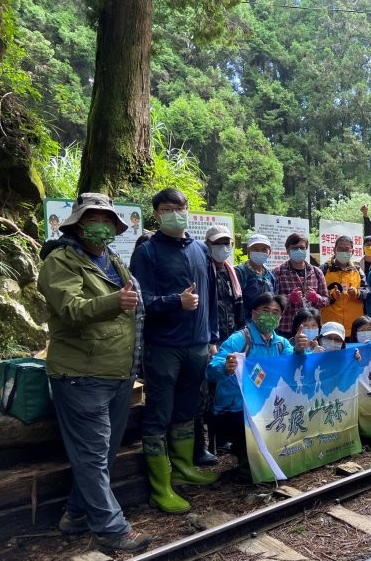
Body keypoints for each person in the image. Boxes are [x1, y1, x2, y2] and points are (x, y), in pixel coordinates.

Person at [38, 193, 152, 552]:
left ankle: (76, 514)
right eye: (93, 218)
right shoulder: (61, 261)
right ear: (78, 223)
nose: (101, 225)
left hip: (118, 372)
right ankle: (111, 528)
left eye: (107, 219)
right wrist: (113, 302)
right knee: (92, 453)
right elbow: (69, 309)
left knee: (100, 454)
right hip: (81, 373)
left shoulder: (113, 260)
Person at [130, 187, 219, 515]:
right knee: (159, 413)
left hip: (196, 346)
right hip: (163, 347)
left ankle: (183, 467)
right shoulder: (147, 252)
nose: (176, 213)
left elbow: (209, 297)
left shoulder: (199, 250)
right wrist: (175, 302)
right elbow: (142, 301)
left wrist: (213, 336)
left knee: (187, 408)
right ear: (157, 213)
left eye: (181, 208)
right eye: (168, 208)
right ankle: (160, 486)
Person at [207, 293, 307, 480]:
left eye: (275, 312)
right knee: (253, 467)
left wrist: (300, 351)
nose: (270, 316)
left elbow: (293, 365)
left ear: (280, 318)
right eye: (265, 311)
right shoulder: (240, 339)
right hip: (235, 409)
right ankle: (246, 462)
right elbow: (211, 369)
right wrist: (226, 367)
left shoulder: (280, 344)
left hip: (267, 407)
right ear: (254, 315)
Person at [196, 224, 245, 465]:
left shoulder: (229, 272)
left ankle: (223, 438)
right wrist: (209, 340)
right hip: (207, 340)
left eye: (227, 243)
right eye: (218, 243)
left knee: (226, 388)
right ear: (207, 244)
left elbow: (236, 307)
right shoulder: (202, 270)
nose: (223, 248)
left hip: (229, 338)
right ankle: (204, 445)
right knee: (205, 392)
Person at [273, 232, 329, 337]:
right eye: (294, 248)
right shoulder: (278, 272)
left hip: (311, 329)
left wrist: (317, 298)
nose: (299, 251)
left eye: (302, 248)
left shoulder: (317, 272)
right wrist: (288, 299)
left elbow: (326, 299)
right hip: (286, 329)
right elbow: (272, 301)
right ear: (287, 251)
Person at [321, 235, 370, 336]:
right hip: (331, 327)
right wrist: (331, 295)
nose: (343, 252)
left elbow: (367, 291)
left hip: (354, 326)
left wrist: (357, 293)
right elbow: (318, 294)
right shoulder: (323, 269)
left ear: (352, 251)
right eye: (340, 249)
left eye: (347, 249)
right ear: (334, 250)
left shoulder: (358, 270)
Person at [235, 234, 276, 319]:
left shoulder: (270, 275)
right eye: (256, 249)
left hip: (266, 324)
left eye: (264, 250)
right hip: (245, 326)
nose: (260, 252)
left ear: (269, 252)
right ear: (248, 250)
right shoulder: (240, 273)